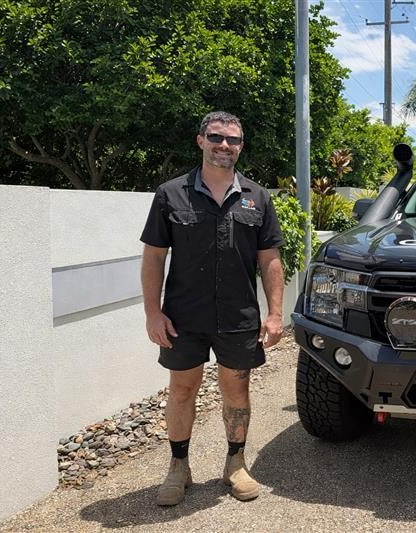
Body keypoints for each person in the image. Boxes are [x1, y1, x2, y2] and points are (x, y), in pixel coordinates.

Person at [140, 111, 285, 506]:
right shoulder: (171, 194)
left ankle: (235, 464)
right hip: (183, 317)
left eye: (233, 140)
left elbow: (269, 259)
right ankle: (178, 467)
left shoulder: (257, 197)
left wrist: (275, 314)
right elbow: (154, 257)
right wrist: (153, 313)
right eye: (217, 137)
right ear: (200, 140)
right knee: (182, 389)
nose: (225, 145)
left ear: (241, 147)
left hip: (238, 317)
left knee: (236, 390)